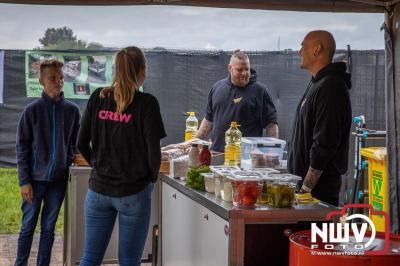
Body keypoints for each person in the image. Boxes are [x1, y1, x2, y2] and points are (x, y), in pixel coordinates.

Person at [77, 46, 166, 266]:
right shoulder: (147, 103)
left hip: (98, 191)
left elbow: (80, 143)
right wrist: (149, 180)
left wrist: (97, 166)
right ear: (143, 71)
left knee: (90, 257)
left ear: (116, 70)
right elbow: (154, 154)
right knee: (129, 261)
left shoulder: (98, 97)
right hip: (133, 193)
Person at [15, 59, 81, 266]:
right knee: (27, 226)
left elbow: (74, 143)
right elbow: (22, 147)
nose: (58, 81)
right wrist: (24, 180)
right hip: (34, 181)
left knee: (49, 228)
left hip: (58, 182)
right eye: (53, 78)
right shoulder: (31, 111)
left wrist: (68, 159)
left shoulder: (72, 111)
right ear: (42, 81)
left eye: (61, 78)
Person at [288, 30, 352, 206]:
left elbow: (324, 144)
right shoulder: (317, 82)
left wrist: (306, 190)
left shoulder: (331, 87)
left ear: (317, 50)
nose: (300, 51)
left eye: (303, 46)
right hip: (305, 189)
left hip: (318, 193)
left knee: (313, 235)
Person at [196, 49, 279, 152]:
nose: (244, 73)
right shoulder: (217, 88)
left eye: (247, 69)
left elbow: (271, 125)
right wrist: (195, 141)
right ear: (230, 68)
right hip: (216, 153)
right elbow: (209, 119)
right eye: (240, 70)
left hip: (246, 158)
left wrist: (271, 152)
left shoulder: (260, 91)